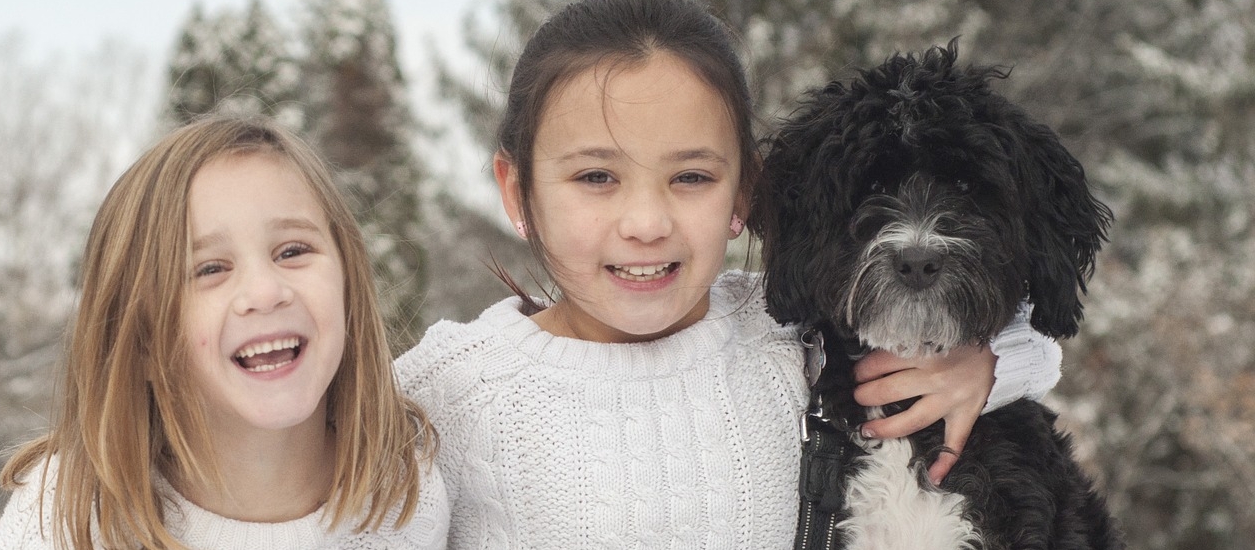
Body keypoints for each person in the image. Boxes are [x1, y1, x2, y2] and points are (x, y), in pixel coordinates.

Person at [394, 0, 1063, 547]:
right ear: (517, 192)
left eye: (691, 177)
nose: (646, 221)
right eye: (596, 177)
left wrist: (994, 363)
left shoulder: (787, 333)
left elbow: (948, 310)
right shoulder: (441, 394)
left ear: (745, 192)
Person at [0, 115, 446, 550]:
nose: (265, 292)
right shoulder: (65, 518)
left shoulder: (406, 496)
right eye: (209, 268)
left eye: (292, 251)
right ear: (141, 340)